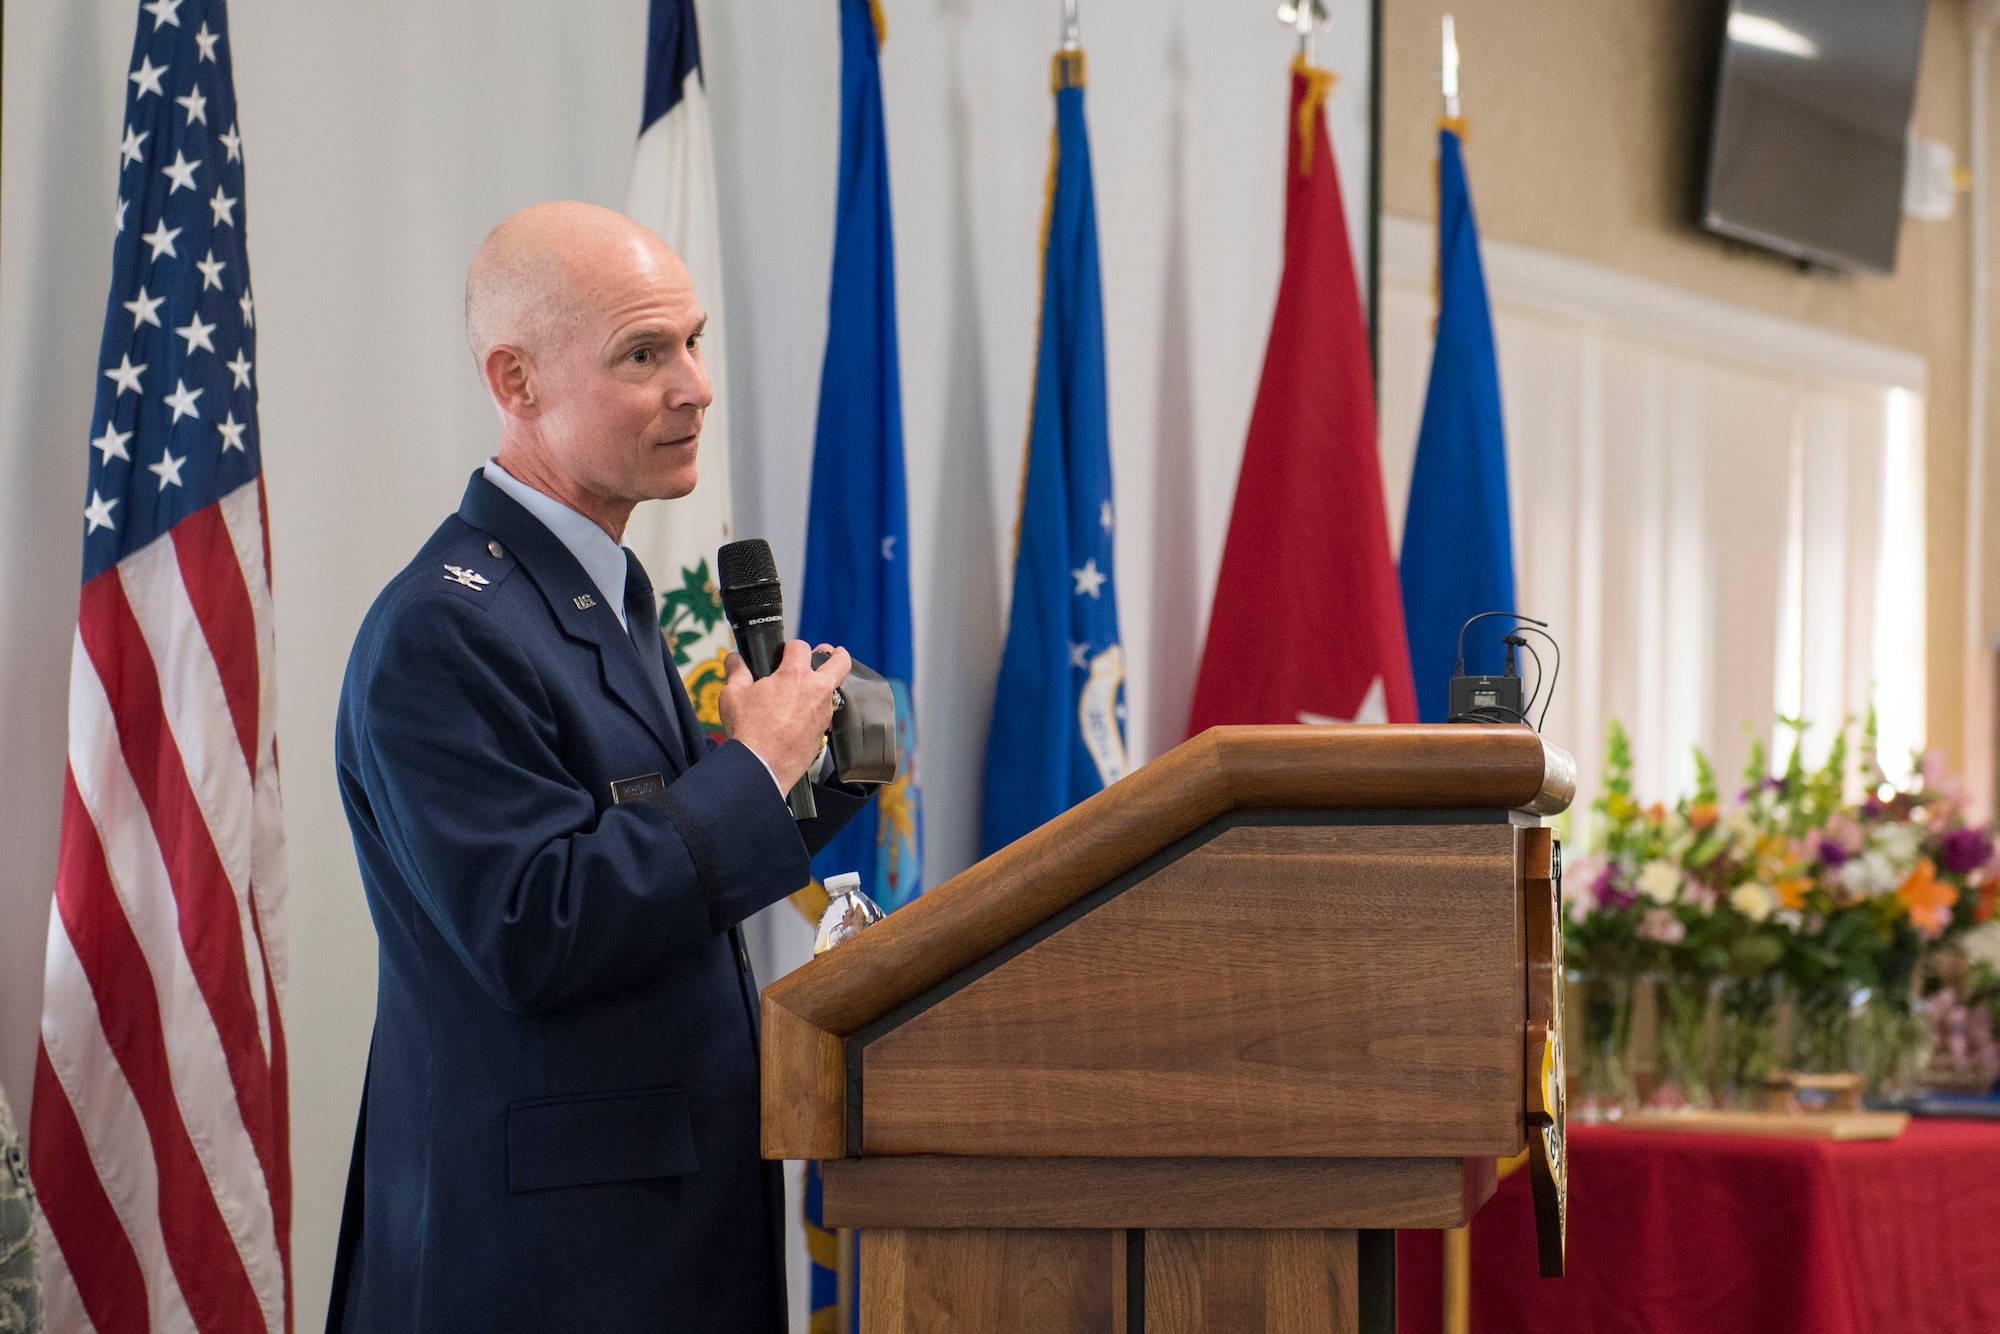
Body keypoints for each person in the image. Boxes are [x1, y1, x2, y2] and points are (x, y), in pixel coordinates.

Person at [327, 201, 870, 1332]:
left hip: (651, 1226)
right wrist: (751, 767)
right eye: (642, 353)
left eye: (693, 340)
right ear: (515, 382)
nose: (695, 385)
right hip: (551, 1265)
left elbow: (650, 872)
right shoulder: (444, 629)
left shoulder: (593, 592)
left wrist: (812, 770)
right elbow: (537, 924)